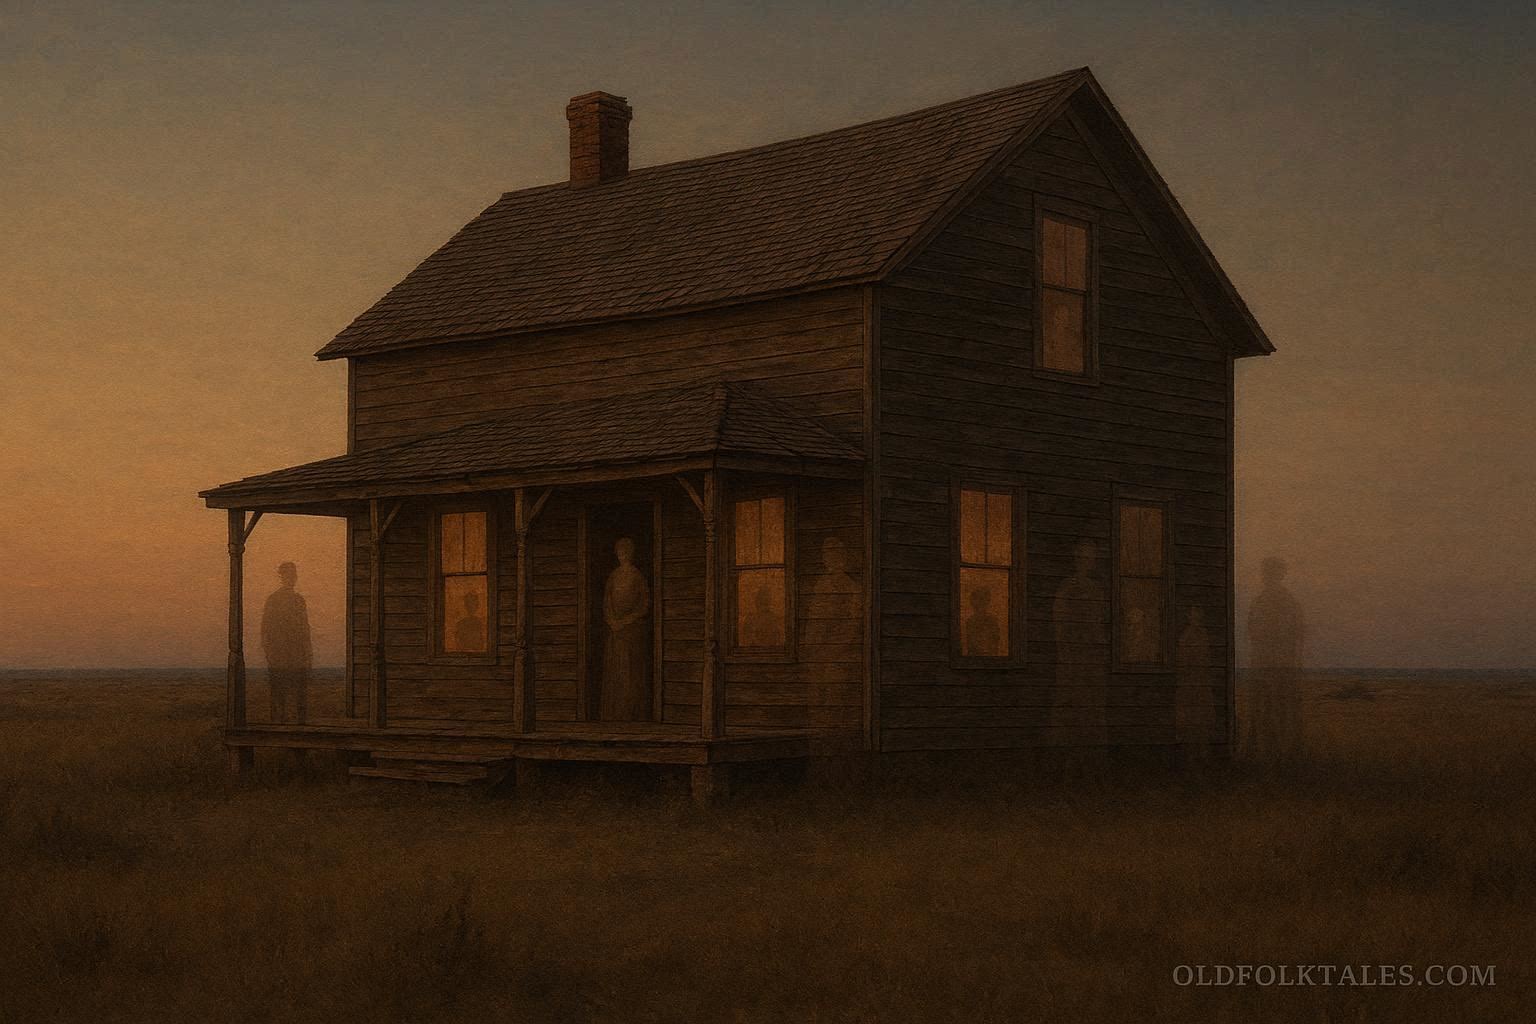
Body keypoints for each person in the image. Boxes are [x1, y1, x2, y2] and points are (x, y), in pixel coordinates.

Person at [1246, 557, 1306, 761]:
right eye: (1266, 572)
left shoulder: (1287, 602)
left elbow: (1297, 632)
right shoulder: (1259, 601)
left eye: (1271, 572)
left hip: (1281, 666)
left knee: (1281, 711)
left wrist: (1292, 660)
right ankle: (1261, 754)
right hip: (1262, 664)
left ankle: (1285, 755)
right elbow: (1252, 630)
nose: (1267, 576)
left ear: (1279, 575)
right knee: (1260, 710)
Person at [1052, 539, 1107, 740]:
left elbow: (1099, 622)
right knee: (1071, 705)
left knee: (1092, 707)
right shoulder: (1067, 587)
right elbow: (1059, 622)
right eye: (1083, 556)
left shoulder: (1097, 590)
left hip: (1092, 658)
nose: (1087, 560)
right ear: (1077, 557)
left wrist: (1097, 644)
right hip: (1073, 658)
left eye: (1091, 556)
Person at [600, 538, 651, 721]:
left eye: (626, 552)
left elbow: (645, 605)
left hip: (633, 632)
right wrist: (612, 622)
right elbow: (606, 603)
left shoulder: (637, 576)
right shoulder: (613, 576)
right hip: (616, 633)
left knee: (631, 675)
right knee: (617, 674)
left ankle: (631, 715)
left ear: (631, 554)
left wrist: (627, 621)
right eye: (620, 553)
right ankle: (613, 716)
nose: (623, 556)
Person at [261, 561, 312, 724]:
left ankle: (301, 729)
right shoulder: (273, 600)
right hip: (279, 657)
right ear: (282, 577)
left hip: (297, 656)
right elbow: (266, 629)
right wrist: (270, 654)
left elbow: (305, 628)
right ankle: (278, 727)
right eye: (287, 575)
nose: (291, 578)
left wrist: (308, 654)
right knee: (278, 695)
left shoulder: (299, 600)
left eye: (293, 575)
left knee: (300, 695)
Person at [963, 586, 1001, 657]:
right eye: (977, 600)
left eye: (982, 600)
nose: (979, 604)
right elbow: (970, 644)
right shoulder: (970, 621)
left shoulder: (993, 621)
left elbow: (995, 642)